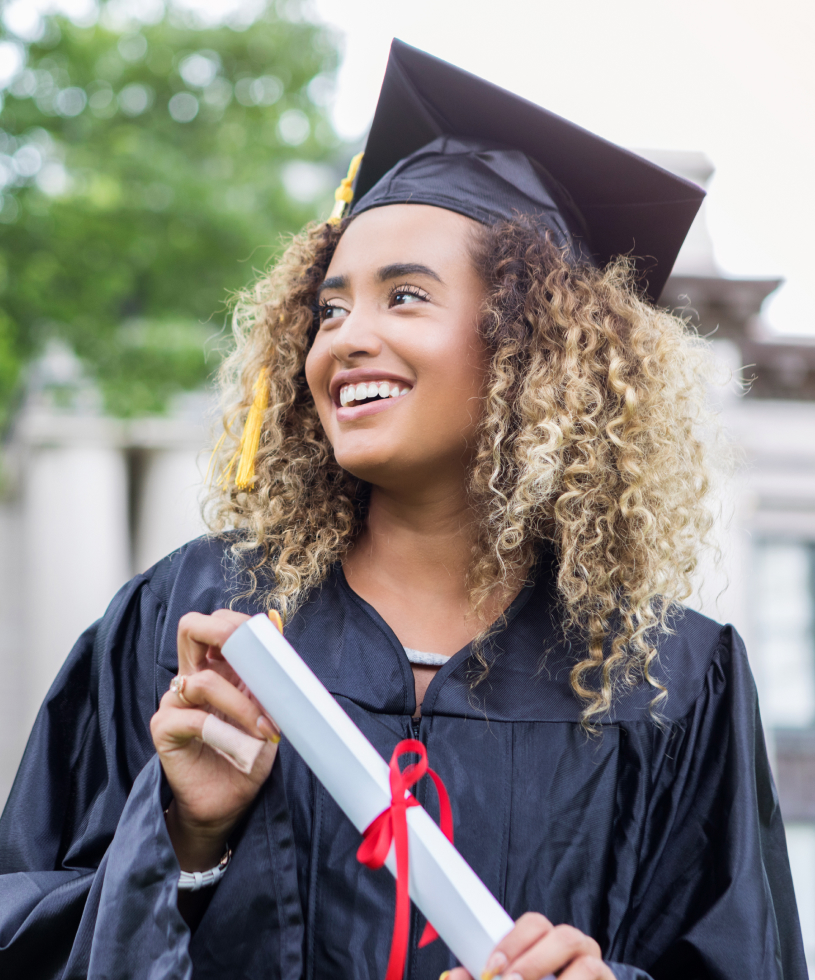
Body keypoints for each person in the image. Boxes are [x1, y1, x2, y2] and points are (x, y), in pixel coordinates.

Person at [0, 39, 807, 980]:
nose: (348, 340)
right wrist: (185, 840)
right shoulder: (198, 624)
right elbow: (27, 921)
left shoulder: (665, 679)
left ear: (528, 344)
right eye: (330, 309)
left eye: (405, 297)